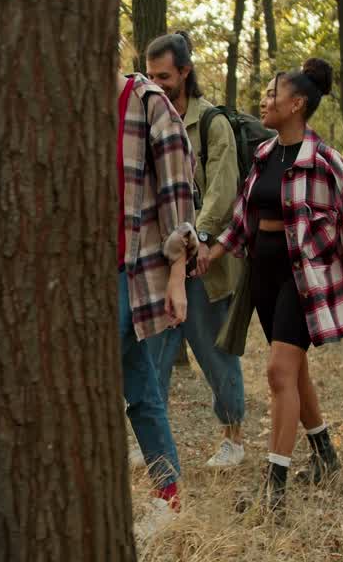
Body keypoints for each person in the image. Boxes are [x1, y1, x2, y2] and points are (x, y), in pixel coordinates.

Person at [200, 58, 343, 511]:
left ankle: (275, 488)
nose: (264, 100)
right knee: (294, 370)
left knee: (278, 372)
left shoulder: (325, 160)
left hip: (306, 280)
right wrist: (209, 253)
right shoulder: (264, 155)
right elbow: (242, 222)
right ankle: (324, 455)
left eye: (272, 93)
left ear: (296, 103)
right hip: (263, 278)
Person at [141, 32, 247, 469]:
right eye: (150, 76)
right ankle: (149, 443)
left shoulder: (211, 123)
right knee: (152, 355)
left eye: (164, 75)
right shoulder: (146, 120)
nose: (156, 83)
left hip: (204, 265)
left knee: (215, 352)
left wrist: (198, 240)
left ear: (185, 72)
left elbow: (223, 192)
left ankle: (233, 439)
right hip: (160, 262)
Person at [117, 71, 198, 514]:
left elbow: (177, 200)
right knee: (142, 387)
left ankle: (164, 499)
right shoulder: (72, 108)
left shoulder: (150, 104)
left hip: (130, 272)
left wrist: (176, 275)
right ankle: (168, 498)